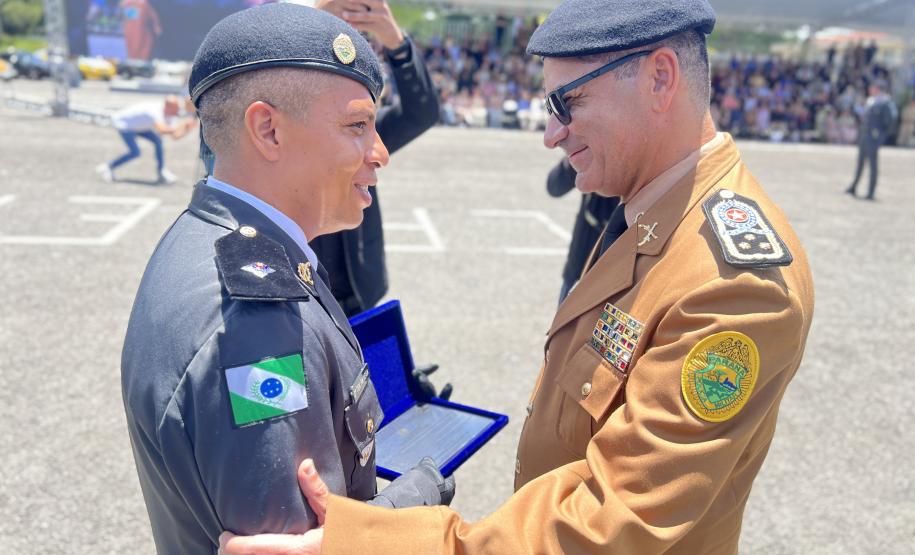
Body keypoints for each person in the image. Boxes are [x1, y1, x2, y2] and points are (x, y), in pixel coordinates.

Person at [220, 0, 815, 553]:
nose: (552, 134)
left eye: (567, 103)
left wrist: (370, 542)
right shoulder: (655, 213)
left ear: (660, 77)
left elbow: (613, 522)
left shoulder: (732, 283)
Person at [120, 5, 453, 553]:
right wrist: (418, 495)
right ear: (268, 129)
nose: (381, 153)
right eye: (357, 126)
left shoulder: (208, 238)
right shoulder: (258, 326)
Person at [546, 157, 620, 303]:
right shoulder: (589, 152)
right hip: (578, 265)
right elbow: (554, 185)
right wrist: (579, 156)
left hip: (615, 277)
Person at [96, 95, 196, 184]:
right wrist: (183, 124)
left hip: (140, 126)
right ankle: (108, 167)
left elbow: (174, 136)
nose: (178, 112)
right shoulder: (154, 111)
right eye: (176, 109)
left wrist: (187, 129)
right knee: (135, 152)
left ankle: (161, 172)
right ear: (168, 107)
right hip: (124, 124)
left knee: (158, 141)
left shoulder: (171, 112)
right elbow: (162, 130)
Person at [844, 82, 898, 200]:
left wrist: (880, 137)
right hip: (865, 135)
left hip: (873, 137)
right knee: (860, 163)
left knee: (873, 165)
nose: (870, 90)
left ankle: (871, 191)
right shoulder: (871, 101)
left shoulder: (885, 103)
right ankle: (854, 186)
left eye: (872, 88)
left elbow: (890, 122)